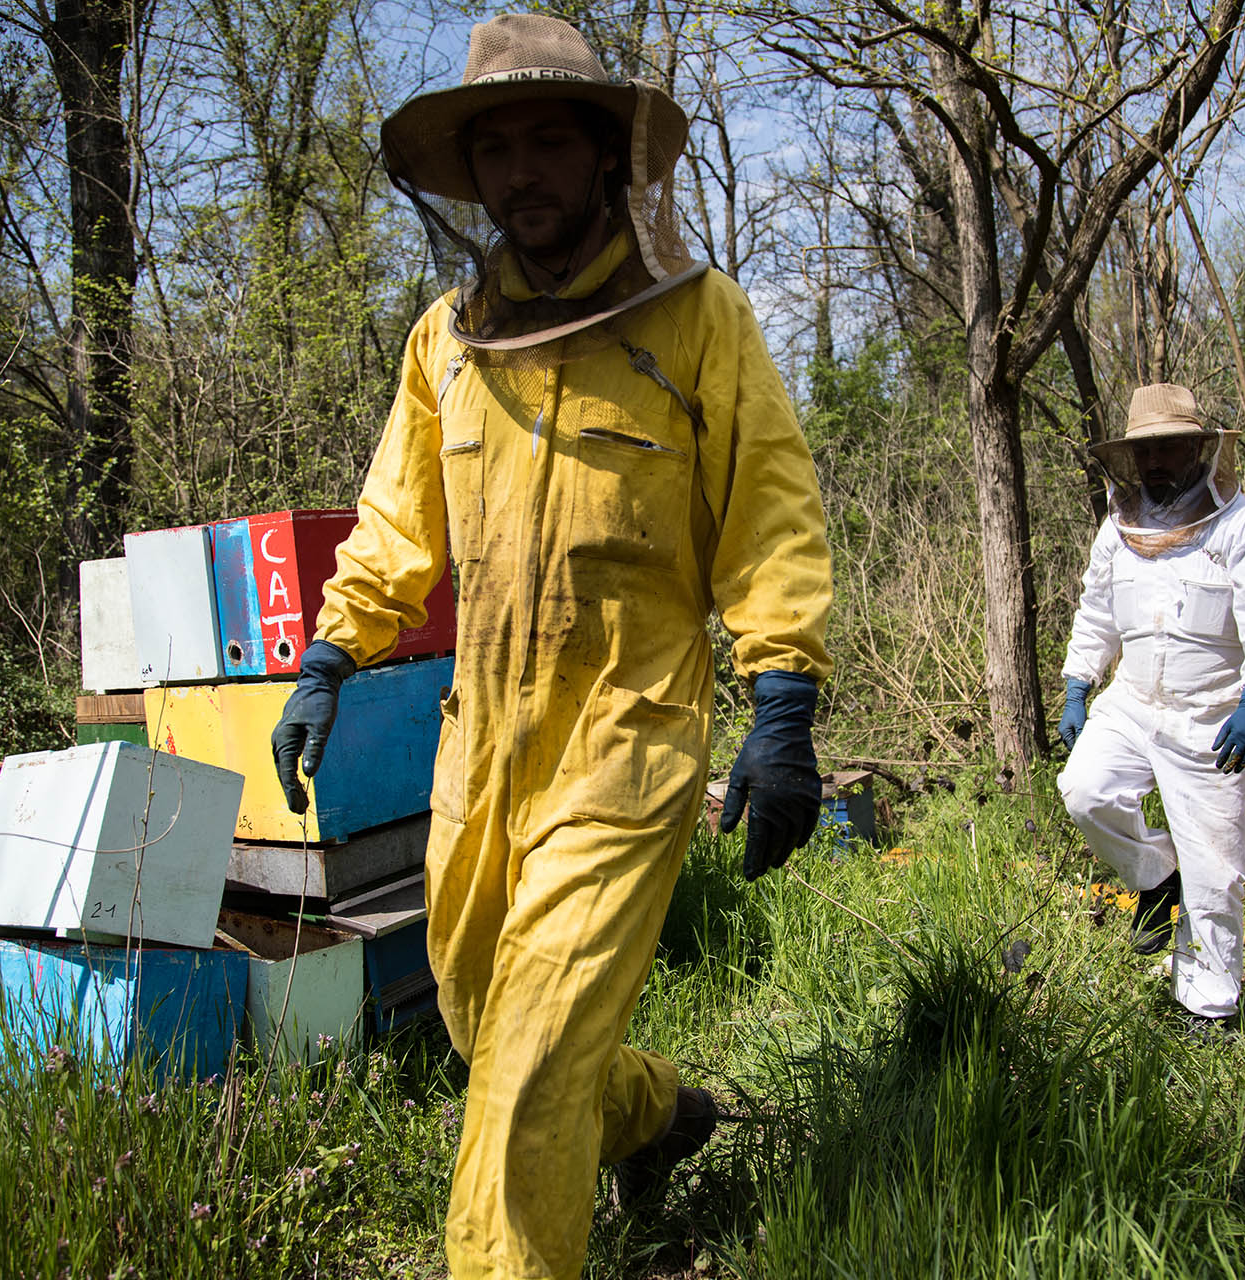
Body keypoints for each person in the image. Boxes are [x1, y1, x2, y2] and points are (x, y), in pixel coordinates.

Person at [267, 13, 834, 1279]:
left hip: (628, 737)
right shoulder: (446, 343)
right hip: (483, 748)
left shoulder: (700, 322)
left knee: (523, 1070)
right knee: (484, 1022)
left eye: (546, 142)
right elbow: (397, 522)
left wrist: (783, 696)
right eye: (497, 149)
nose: (521, 173)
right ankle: (655, 1112)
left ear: (600, 157)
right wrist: (328, 658)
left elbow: (772, 512)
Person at [1055, 382, 1245, 1039]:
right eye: (1145, 450)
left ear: (1198, 447)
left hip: (1212, 716)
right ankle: (1154, 875)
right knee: (1084, 792)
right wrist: (1079, 683)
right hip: (1132, 701)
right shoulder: (1119, 526)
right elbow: (1098, 609)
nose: (1156, 461)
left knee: (1216, 873)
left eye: (1169, 446)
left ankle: (1209, 1008)